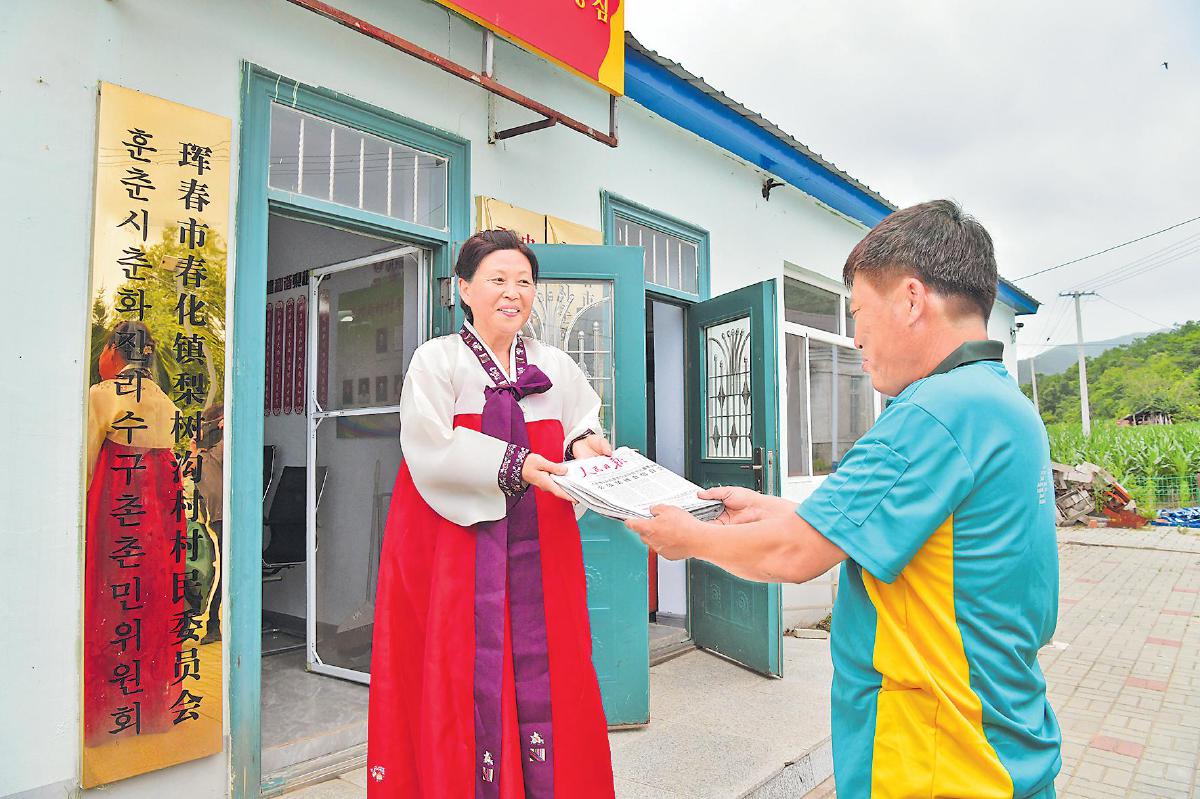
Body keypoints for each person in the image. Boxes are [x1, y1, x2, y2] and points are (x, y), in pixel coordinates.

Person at [629, 201, 1062, 798]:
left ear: (911, 300)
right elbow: (893, 533)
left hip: (936, 758)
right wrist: (771, 510)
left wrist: (688, 538)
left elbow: (796, 556)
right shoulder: (1002, 405)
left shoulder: (930, 414)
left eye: (858, 312)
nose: (855, 338)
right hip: (1001, 740)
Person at [368, 230, 617, 798]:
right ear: (464, 288)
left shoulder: (556, 364)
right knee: (460, 665)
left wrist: (585, 444)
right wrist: (517, 463)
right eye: (497, 280)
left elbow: (582, 421)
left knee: (554, 661)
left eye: (524, 282)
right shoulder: (437, 361)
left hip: (543, 544)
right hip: (457, 545)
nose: (513, 293)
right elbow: (428, 445)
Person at [84, 320, 183, 746]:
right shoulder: (166, 402)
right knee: (148, 607)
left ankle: (105, 714)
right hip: (156, 522)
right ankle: (149, 710)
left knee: (110, 603)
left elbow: (86, 463)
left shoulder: (103, 395)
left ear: (113, 350)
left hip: (115, 514)